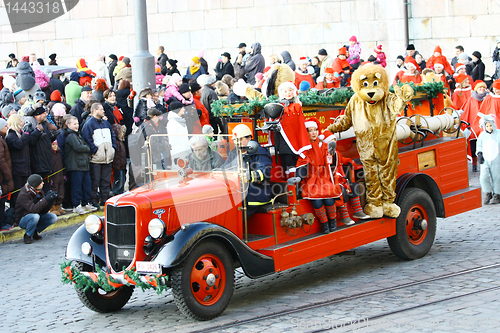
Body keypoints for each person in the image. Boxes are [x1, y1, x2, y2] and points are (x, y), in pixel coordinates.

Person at [223, 124, 273, 217]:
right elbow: (225, 168)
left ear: (249, 138)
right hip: (238, 190)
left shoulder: (260, 152)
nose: (237, 142)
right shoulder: (234, 153)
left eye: (241, 139)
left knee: (235, 215)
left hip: (256, 192)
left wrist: (247, 176)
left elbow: (265, 172)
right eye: (235, 140)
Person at [82, 103, 116, 208]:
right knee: (95, 181)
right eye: (101, 109)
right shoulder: (89, 124)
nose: (103, 111)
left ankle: (104, 199)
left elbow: (112, 135)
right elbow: (87, 139)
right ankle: (93, 200)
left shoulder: (106, 123)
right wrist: (94, 150)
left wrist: (113, 148)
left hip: (107, 157)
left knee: (105, 181)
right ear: (95, 111)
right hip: (96, 159)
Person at [64, 116, 96, 214]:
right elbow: (79, 148)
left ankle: (86, 203)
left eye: (77, 123)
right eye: (74, 124)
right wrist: (86, 148)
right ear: (68, 125)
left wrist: (85, 148)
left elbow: (85, 146)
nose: (77, 126)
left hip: (83, 165)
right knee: (76, 187)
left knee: (87, 185)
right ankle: (76, 205)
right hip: (75, 166)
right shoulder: (70, 136)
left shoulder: (78, 135)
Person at [15, 174, 58, 244]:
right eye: (41, 182)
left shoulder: (39, 191)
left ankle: (34, 231)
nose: (43, 183)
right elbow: (33, 209)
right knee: (35, 216)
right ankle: (27, 235)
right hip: (23, 219)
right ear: (36, 185)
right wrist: (46, 199)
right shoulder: (23, 194)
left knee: (53, 217)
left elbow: (43, 211)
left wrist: (51, 200)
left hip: (36, 215)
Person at [26, 105, 59, 193]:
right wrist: (37, 132)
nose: (46, 115)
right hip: (38, 163)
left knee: (47, 187)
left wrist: (53, 133)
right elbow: (30, 142)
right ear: (37, 115)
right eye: (44, 113)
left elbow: (46, 141)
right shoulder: (32, 126)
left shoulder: (45, 124)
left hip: (47, 161)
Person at [461, 81, 488, 172]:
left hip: (485, 126)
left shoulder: (487, 98)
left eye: (483, 87)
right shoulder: (471, 99)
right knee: (473, 146)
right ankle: (474, 164)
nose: (482, 89)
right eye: (480, 87)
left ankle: (486, 163)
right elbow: (466, 112)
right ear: (476, 89)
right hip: (473, 126)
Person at [6, 114, 30, 210]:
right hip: (17, 169)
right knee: (17, 193)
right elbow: (18, 145)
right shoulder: (11, 136)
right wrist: (26, 134)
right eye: (20, 121)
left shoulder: (19, 134)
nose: (22, 123)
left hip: (24, 167)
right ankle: (16, 212)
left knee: (24, 192)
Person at [476, 114, 500, 205]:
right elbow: (479, 146)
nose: (489, 128)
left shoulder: (498, 134)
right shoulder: (482, 135)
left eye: (490, 125)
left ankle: (497, 194)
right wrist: (479, 154)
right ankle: (487, 192)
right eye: (487, 126)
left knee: (497, 177)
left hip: (496, 159)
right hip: (486, 159)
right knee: (484, 177)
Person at [0, 118, 14, 230]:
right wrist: (7, 176)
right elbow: (2, 161)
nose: (7, 128)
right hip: (2, 176)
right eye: (5, 126)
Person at [48, 140, 66, 216]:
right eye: (53, 145)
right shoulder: (50, 155)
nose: (54, 146)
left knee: (61, 191)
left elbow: (62, 164)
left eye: (55, 145)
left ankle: (58, 206)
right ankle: (52, 208)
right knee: (54, 190)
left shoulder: (59, 154)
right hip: (54, 177)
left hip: (60, 176)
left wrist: (64, 174)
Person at [111, 124, 127, 195]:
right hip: (118, 166)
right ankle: (117, 193)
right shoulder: (117, 143)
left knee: (122, 180)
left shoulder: (121, 142)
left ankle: (120, 191)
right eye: (121, 133)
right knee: (119, 181)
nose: (123, 134)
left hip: (122, 165)